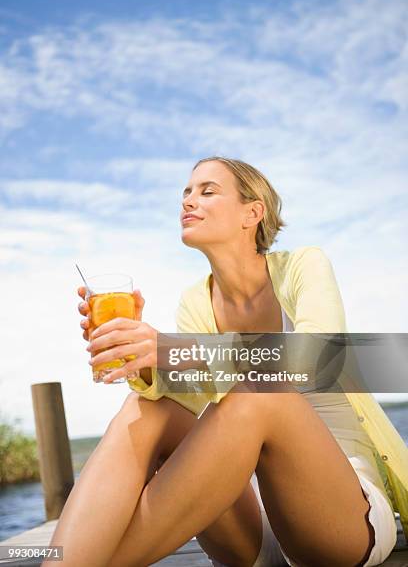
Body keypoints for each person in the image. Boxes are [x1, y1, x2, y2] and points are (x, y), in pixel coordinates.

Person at [46, 156, 407, 567]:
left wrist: (175, 349)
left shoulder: (304, 265)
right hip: (255, 524)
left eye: (207, 191)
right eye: (186, 192)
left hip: (341, 517)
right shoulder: (196, 301)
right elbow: (191, 394)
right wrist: (140, 356)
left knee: (260, 392)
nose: (188, 201)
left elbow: (318, 358)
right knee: (148, 409)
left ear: (253, 213)